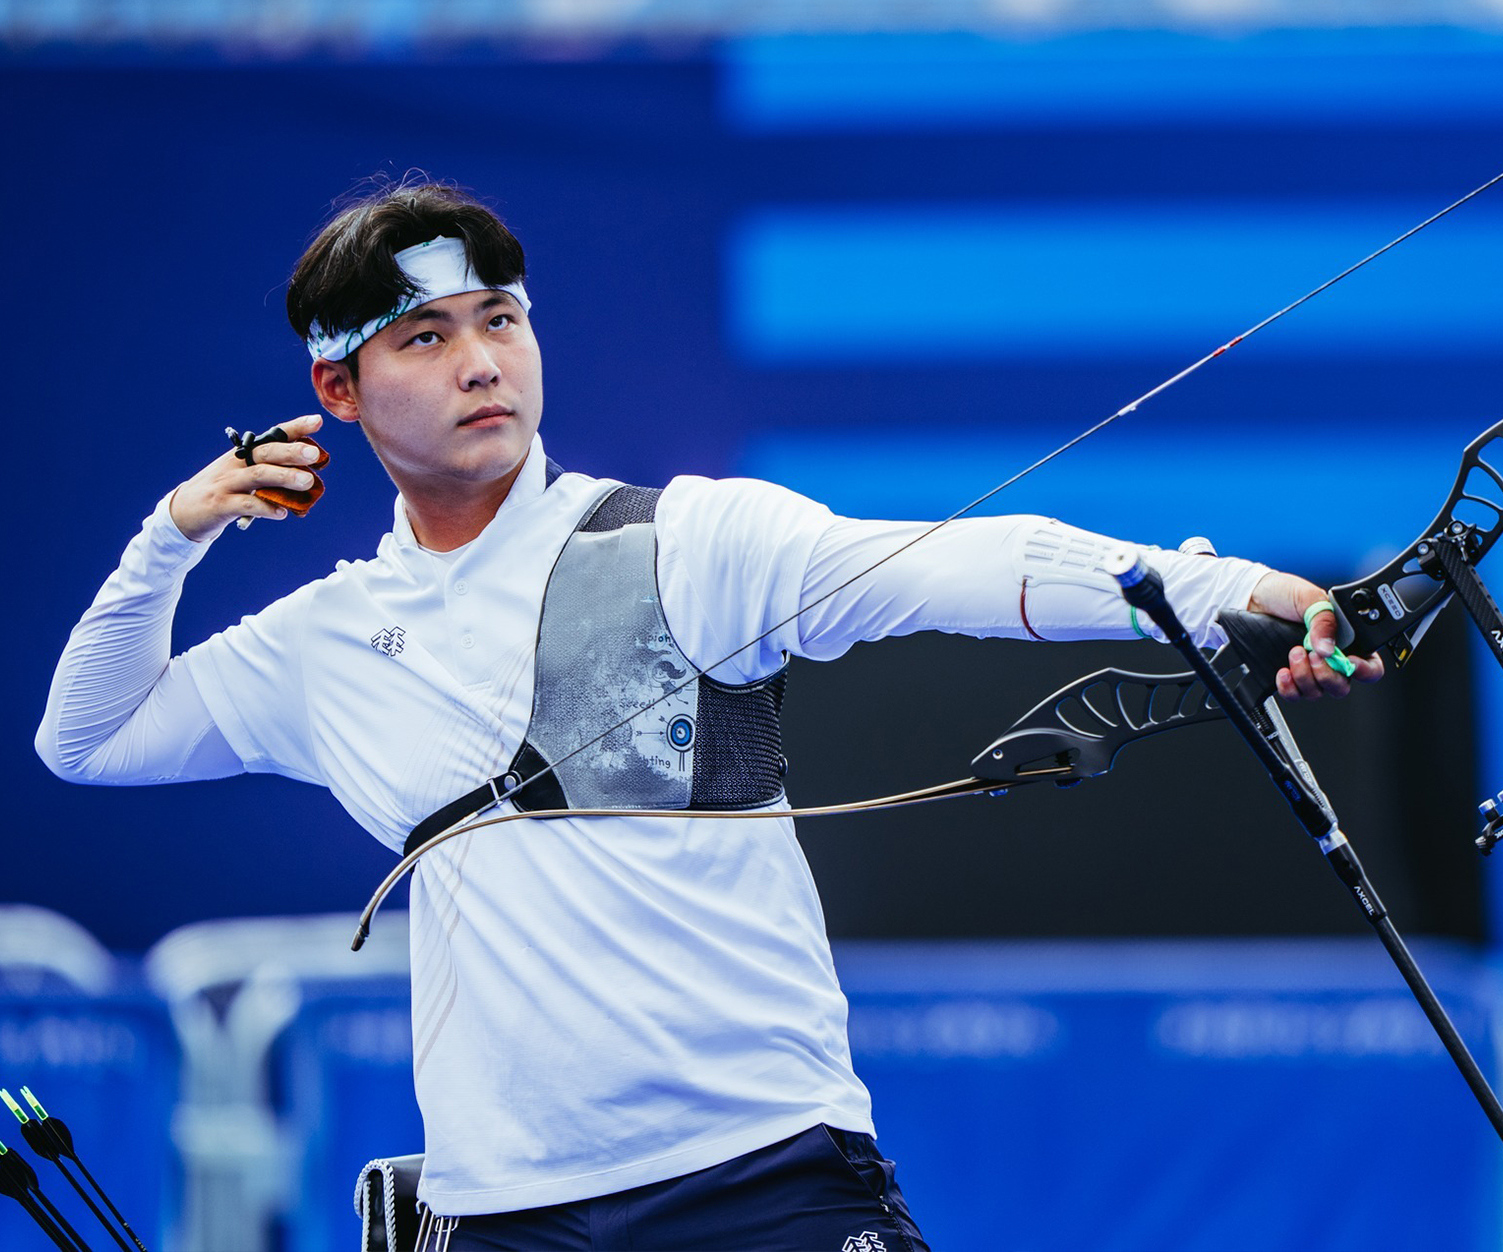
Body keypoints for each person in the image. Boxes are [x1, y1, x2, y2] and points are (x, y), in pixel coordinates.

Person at [37, 181, 1379, 1251]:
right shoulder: (325, 640)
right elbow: (85, 739)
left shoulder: (692, 539)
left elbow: (969, 561)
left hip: (767, 1180)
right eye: (425, 337)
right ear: (338, 389)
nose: (480, 361)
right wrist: (171, 534)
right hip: (511, 1207)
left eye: (501, 319)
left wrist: (1246, 596)